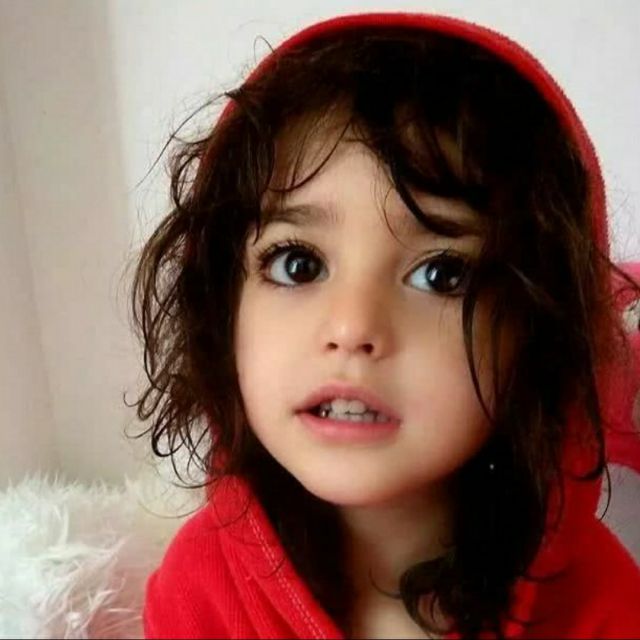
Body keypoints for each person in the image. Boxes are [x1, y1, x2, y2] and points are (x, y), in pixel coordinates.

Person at [131, 12, 640, 639]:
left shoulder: (601, 604)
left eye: (442, 274)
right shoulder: (200, 589)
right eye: (297, 263)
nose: (352, 327)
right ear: (220, 306)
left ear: (539, 331)